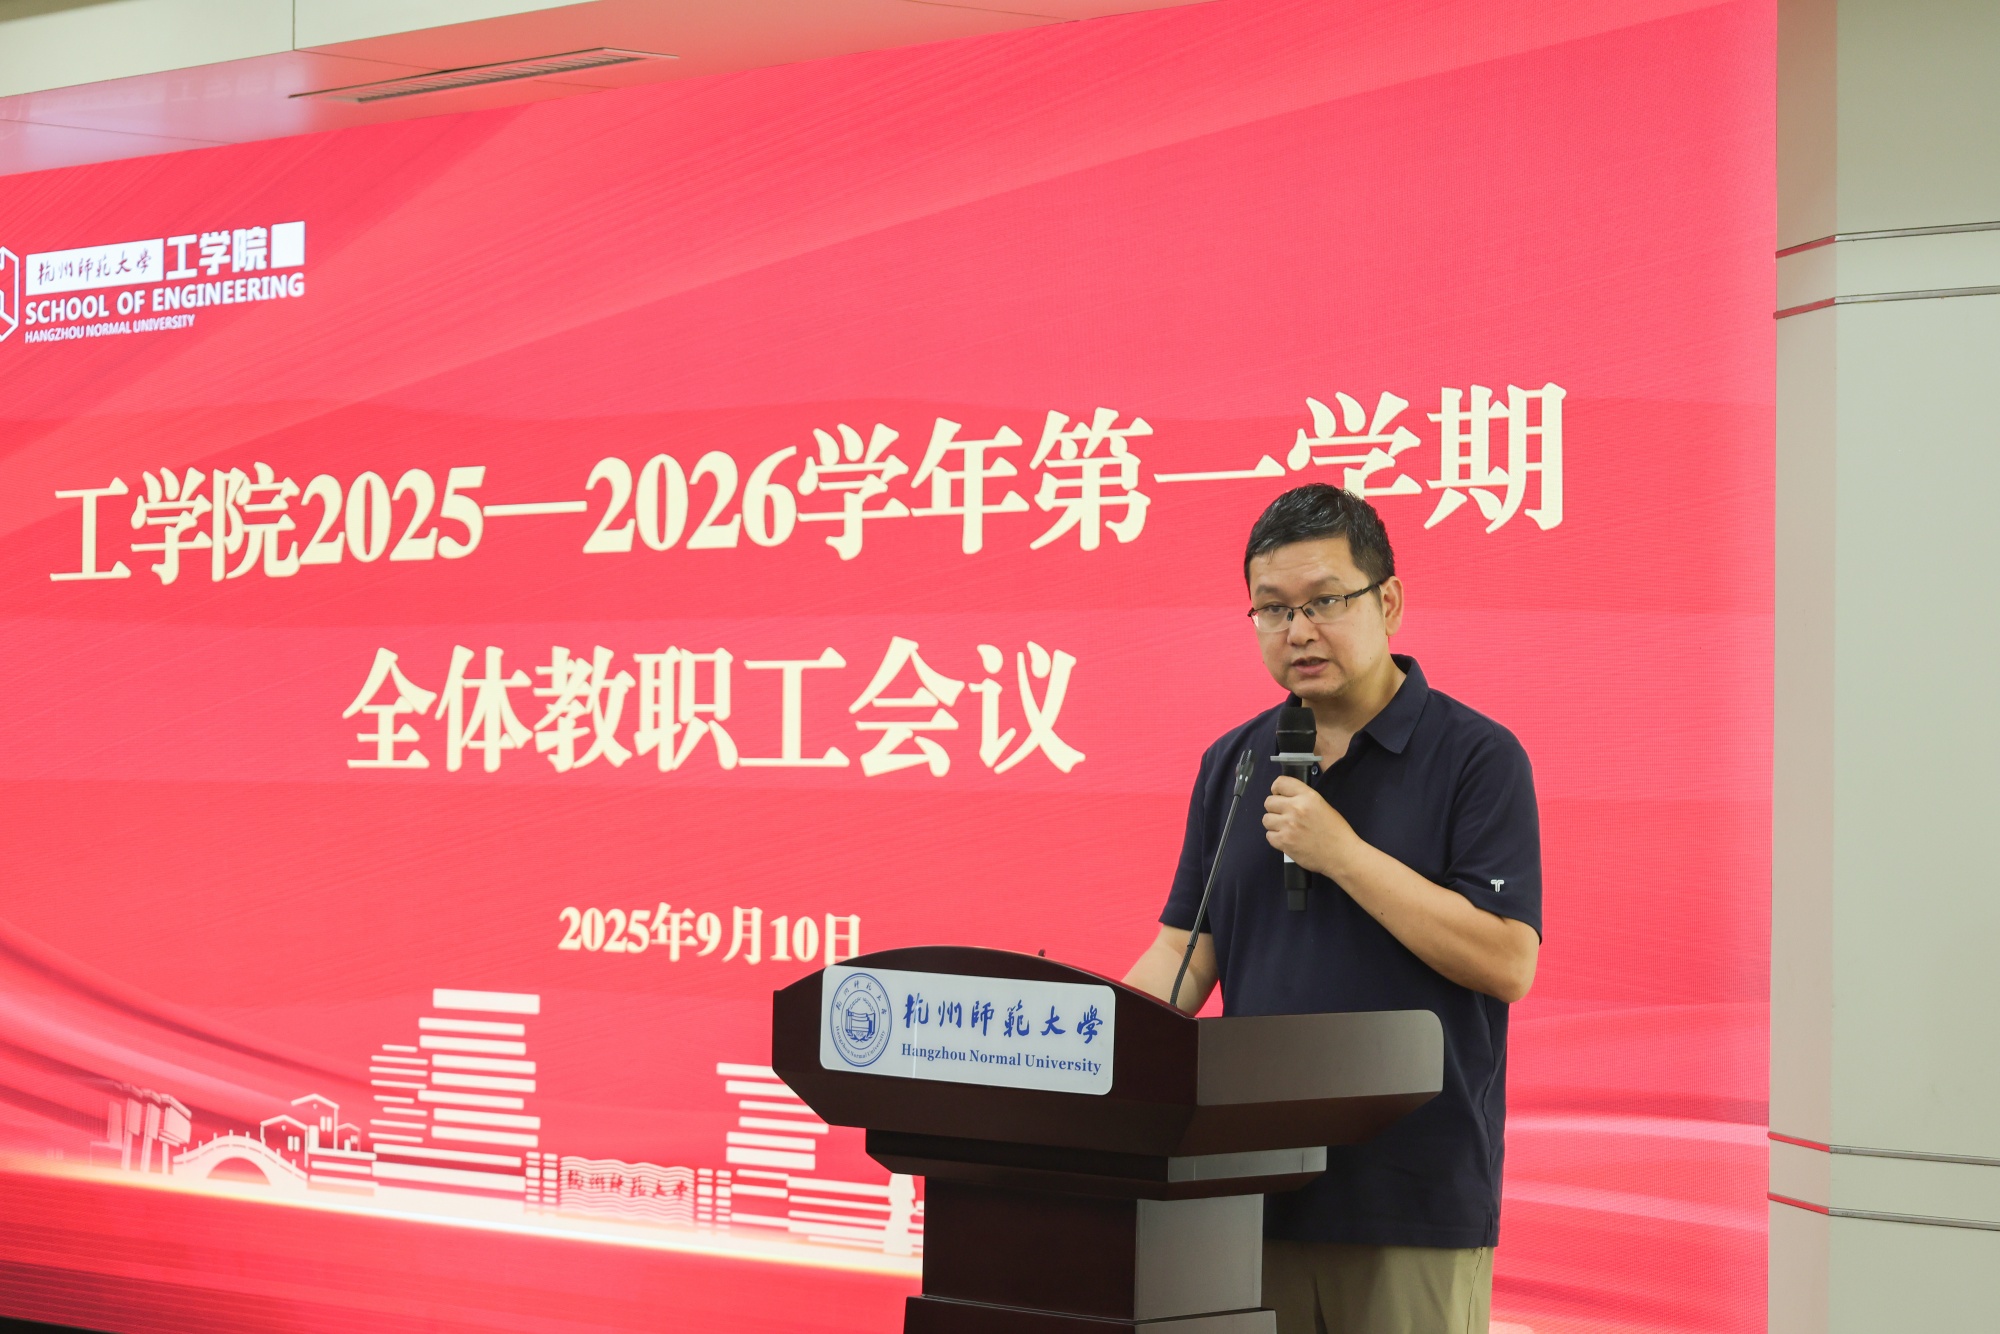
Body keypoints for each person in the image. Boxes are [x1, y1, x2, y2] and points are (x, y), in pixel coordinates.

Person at [1124, 483, 1542, 1334]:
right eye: (1273, 609)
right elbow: (1184, 953)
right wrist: (1094, 1048)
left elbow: (1508, 960)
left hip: (1410, 1199)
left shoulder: (1477, 756)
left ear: (1388, 602)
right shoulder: (1236, 762)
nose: (1299, 631)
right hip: (1251, 1187)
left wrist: (1343, 854)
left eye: (1324, 602)